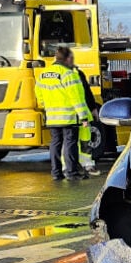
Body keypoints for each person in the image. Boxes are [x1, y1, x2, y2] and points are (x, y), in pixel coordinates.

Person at [35, 47, 92, 181]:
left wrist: (47, 107)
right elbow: (77, 99)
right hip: (69, 117)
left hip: (52, 117)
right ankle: (72, 173)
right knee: (70, 144)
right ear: (67, 59)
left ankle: (56, 173)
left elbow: (39, 95)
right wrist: (84, 117)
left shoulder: (43, 74)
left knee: (55, 144)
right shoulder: (69, 74)